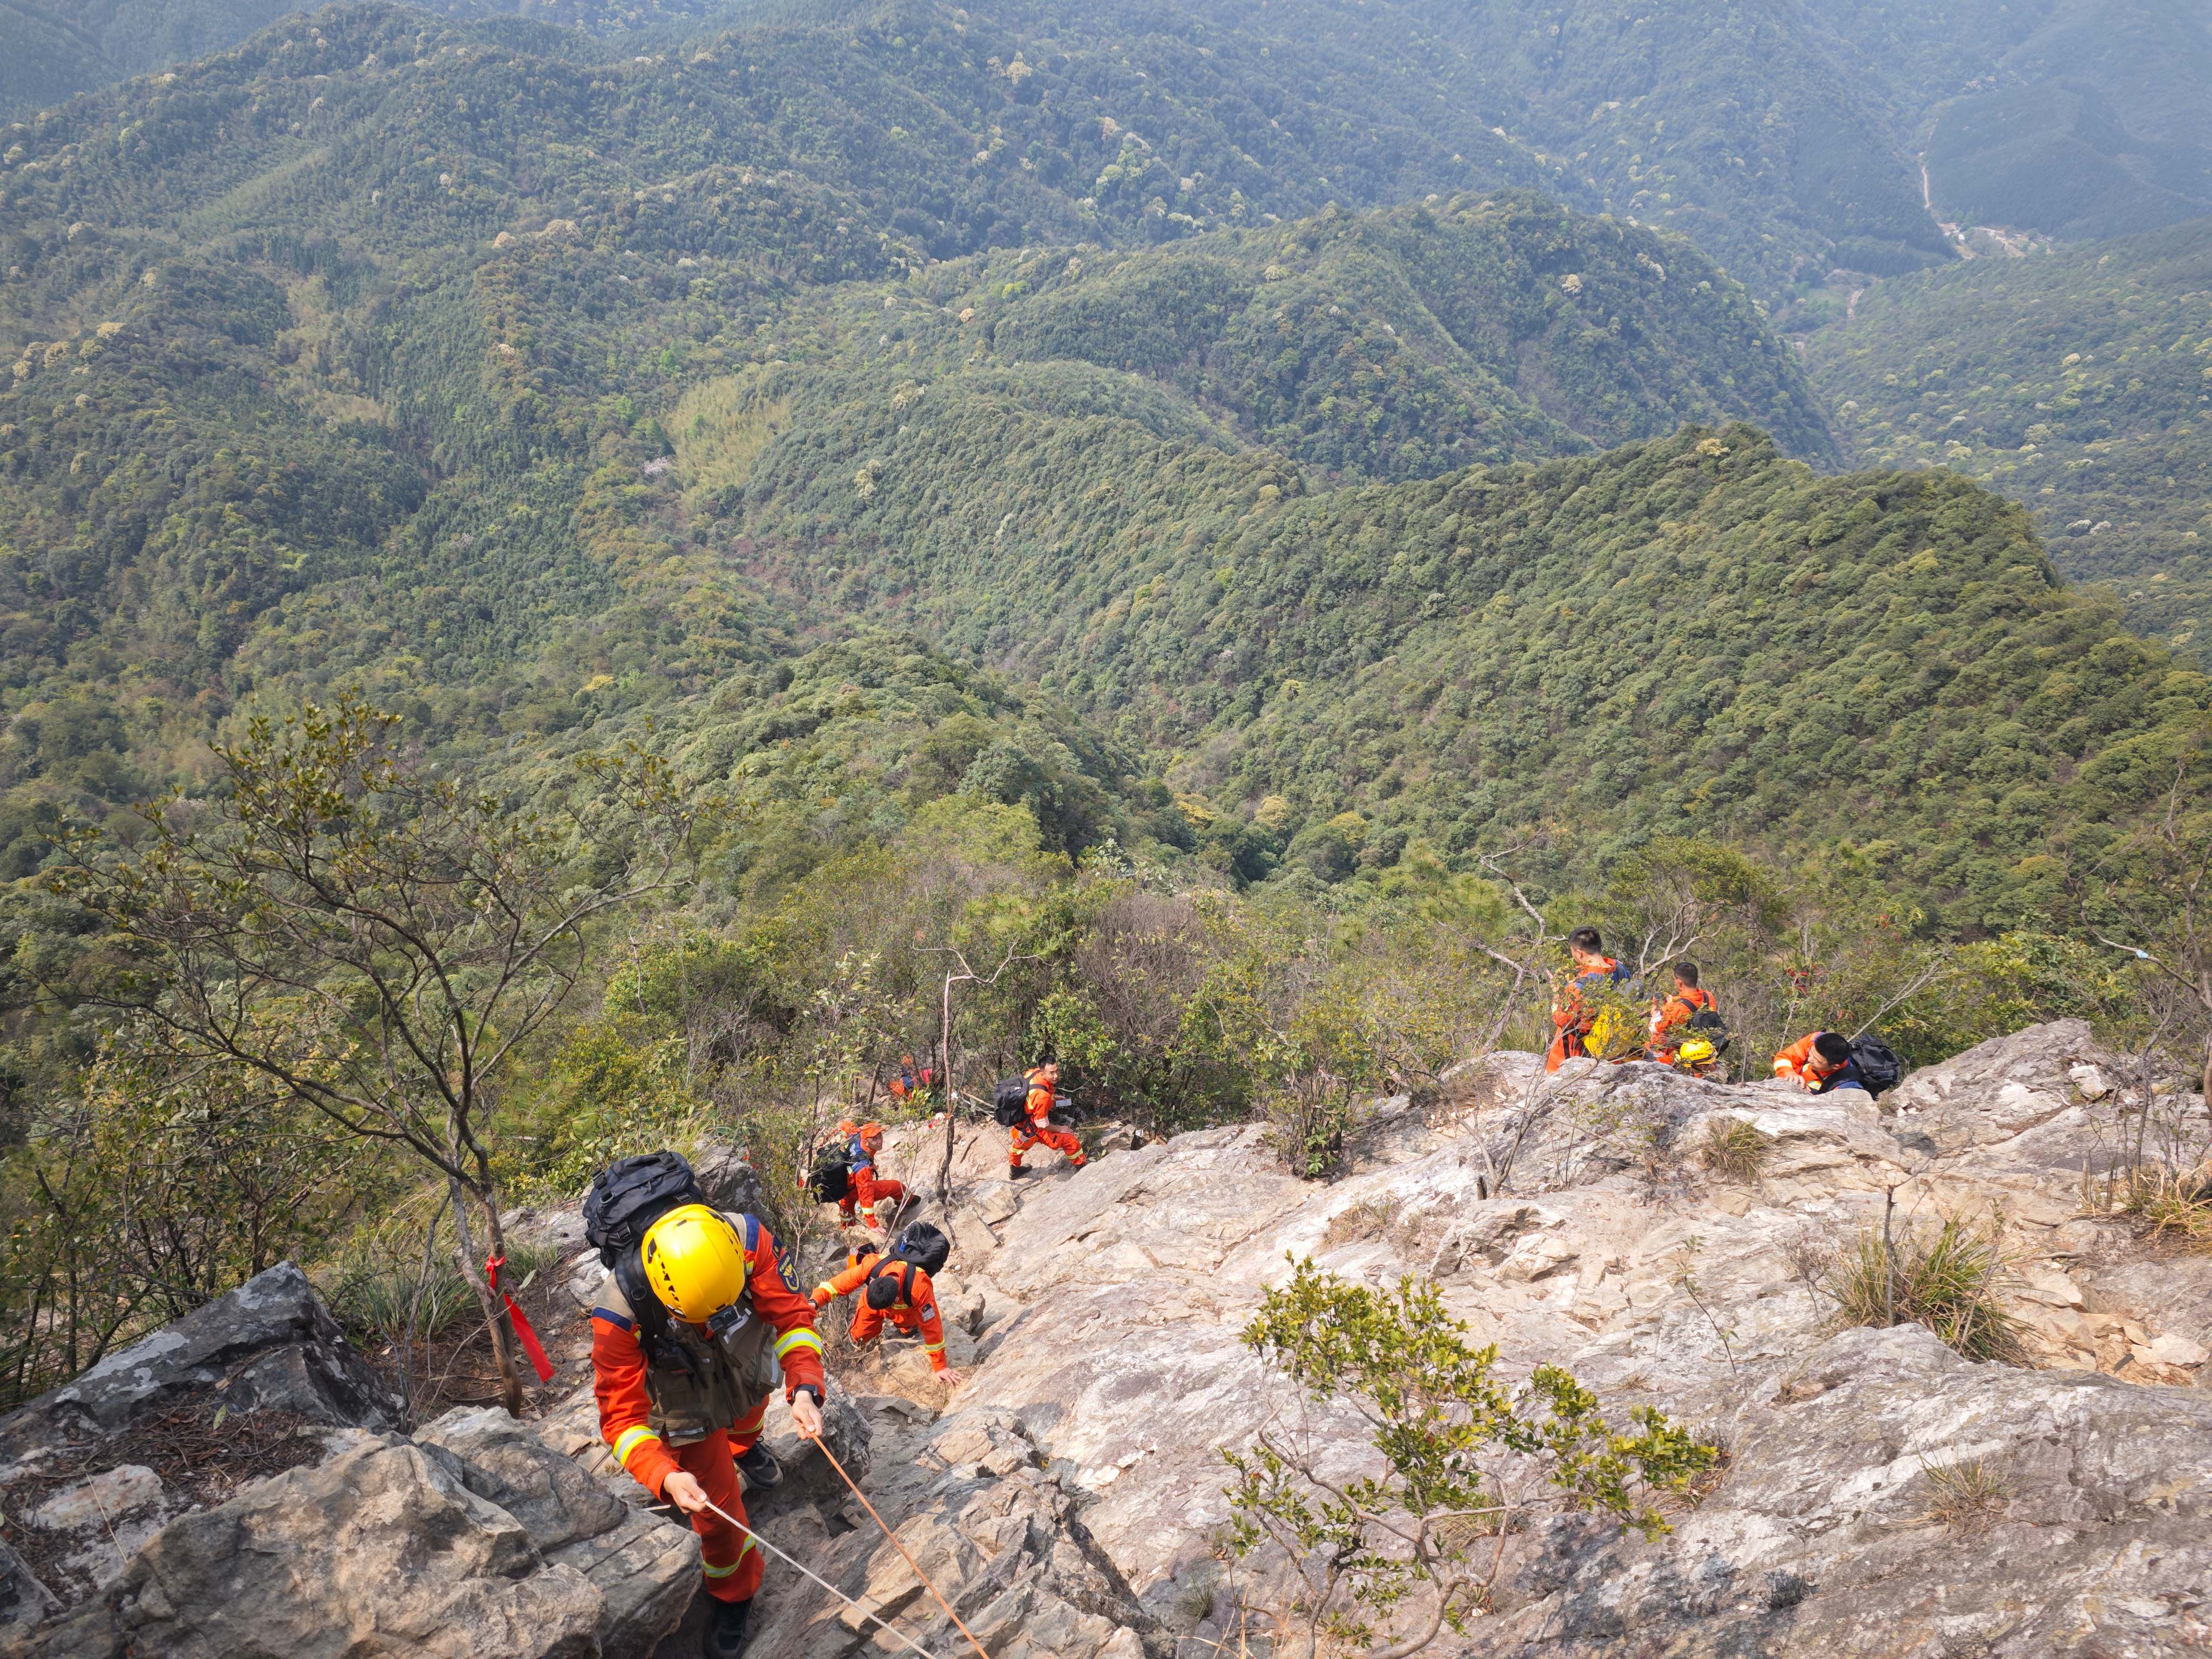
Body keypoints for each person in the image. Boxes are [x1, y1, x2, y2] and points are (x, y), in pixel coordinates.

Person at [591, 1202, 827, 1658]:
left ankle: (745, 1446)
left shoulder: (750, 1240)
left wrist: (803, 1389)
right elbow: (621, 1420)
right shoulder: (618, 1313)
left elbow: (794, 1318)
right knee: (718, 1515)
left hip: (741, 1358)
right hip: (681, 1393)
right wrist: (664, 1474)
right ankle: (735, 1594)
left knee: (751, 1404)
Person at [810, 1243, 961, 1387]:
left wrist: (940, 1367)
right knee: (860, 1335)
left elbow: (932, 1328)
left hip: (905, 1311)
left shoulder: (919, 1288)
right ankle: (860, 1342)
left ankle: (908, 1327)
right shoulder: (871, 1266)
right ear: (873, 1281)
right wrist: (814, 1303)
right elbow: (834, 1285)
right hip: (872, 1305)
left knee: (908, 1323)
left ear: (895, 1300)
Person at [1546, 928, 1632, 1073]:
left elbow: (1560, 1019)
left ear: (1579, 953)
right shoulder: (1620, 968)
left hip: (1575, 1056)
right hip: (1609, 1048)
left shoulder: (1579, 987)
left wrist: (1558, 992)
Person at [1009, 1059, 1085, 1178]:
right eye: (1052, 1073)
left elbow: (1036, 1095)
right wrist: (1060, 1129)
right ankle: (1082, 1167)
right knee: (1070, 1140)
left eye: (1057, 1071)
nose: (1056, 1076)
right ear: (1043, 1073)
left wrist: (1052, 1099)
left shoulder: (1033, 1072)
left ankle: (1014, 1170)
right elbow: (1042, 1125)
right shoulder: (1041, 1097)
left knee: (1018, 1147)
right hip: (1033, 1128)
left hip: (1022, 1123)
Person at [1648, 960, 1721, 1073]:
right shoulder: (1708, 996)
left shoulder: (1677, 1008)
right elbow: (1694, 1002)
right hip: (1703, 1047)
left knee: (1651, 1044)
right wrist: (1674, 1001)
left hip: (1680, 1052)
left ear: (1680, 983)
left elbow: (1654, 1029)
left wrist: (1656, 1011)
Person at [834, 1120, 905, 1230]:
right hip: (856, 1187)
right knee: (897, 1187)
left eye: (880, 1136)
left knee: (846, 1210)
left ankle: (847, 1230)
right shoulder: (864, 1169)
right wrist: (873, 1225)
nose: (880, 1141)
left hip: (846, 1187)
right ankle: (909, 1201)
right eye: (875, 1139)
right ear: (866, 1143)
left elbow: (847, 1125)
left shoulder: (857, 1134)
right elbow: (866, 1198)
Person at [1773, 1030, 1872, 1094]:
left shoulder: (1847, 1087)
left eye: (1817, 1060)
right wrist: (1789, 1073)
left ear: (1835, 1067)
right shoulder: (1815, 1040)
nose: (1810, 1059)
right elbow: (1784, 1057)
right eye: (1811, 1052)